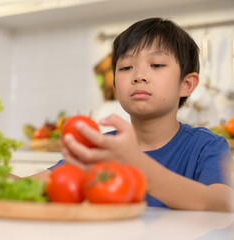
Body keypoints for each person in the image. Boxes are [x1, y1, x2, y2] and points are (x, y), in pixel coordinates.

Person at [25, 17, 234, 212]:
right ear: (115, 88)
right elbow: (29, 186)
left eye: (157, 65)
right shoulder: (98, 149)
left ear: (186, 84)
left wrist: (139, 164)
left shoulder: (207, 146)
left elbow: (221, 204)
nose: (138, 76)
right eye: (126, 67)